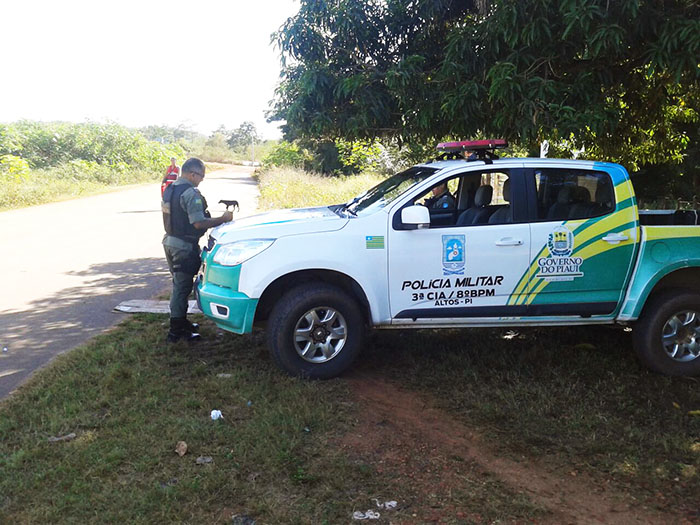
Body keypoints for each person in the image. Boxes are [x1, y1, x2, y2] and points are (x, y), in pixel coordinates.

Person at [161, 158, 233, 342]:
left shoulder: (171, 189)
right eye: (201, 176)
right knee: (182, 287)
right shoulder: (190, 193)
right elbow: (198, 222)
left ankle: (180, 321)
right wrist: (223, 219)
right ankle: (176, 331)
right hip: (183, 246)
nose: (201, 180)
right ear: (192, 174)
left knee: (179, 285)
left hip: (170, 241)